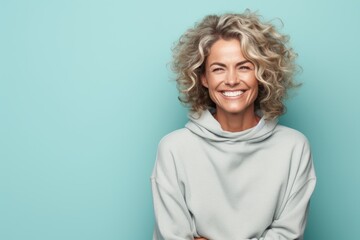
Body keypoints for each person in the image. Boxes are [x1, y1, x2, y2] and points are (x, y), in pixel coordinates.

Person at [150, 10, 316, 240]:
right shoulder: (174, 149)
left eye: (244, 67)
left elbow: (288, 235)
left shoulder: (294, 147)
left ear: (262, 74)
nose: (231, 80)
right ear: (204, 78)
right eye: (219, 68)